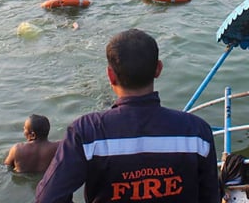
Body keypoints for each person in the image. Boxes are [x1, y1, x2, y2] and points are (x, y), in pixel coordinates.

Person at [35, 29, 219, 203]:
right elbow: (211, 197)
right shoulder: (197, 132)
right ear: (158, 69)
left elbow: (48, 198)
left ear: (110, 75)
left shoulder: (86, 132)